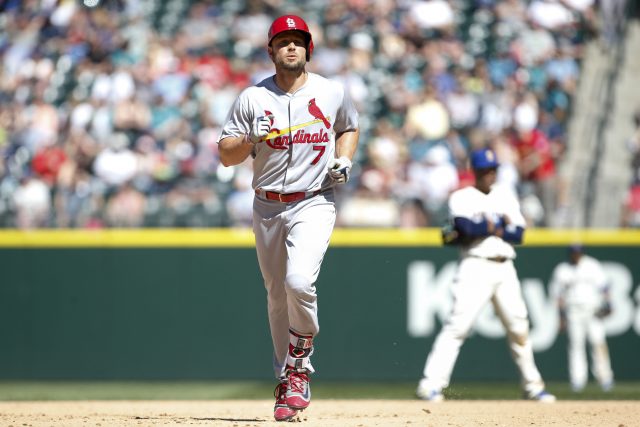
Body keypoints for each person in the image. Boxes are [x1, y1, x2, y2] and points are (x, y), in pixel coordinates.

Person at [217, 15, 359, 422]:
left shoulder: (331, 92)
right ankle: (286, 381)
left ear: (309, 49)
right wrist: (249, 139)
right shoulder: (252, 98)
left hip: (314, 199)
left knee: (299, 282)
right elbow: (226, 156)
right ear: (271, 51)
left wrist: (344, 158)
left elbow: (350, 127)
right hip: (266, 205)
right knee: (276, 295)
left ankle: (300, 365)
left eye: (298, 41)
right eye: (283, 42)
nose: (291, 47)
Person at [416, 147, 556, 402]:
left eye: (493, 170)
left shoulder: (506, 195)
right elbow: (464, 227)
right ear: (476, 172)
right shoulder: (462, 196)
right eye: (485, 170)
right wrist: (497, 225)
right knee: (457, 326)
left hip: (505, 267)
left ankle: (532, 386)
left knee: (519, 328)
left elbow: (519, 234)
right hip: (475, 265)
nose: (490, 175)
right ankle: (430, 384)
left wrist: (487, 227)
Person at [549, 244, 615, 392]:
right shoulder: (562, 269)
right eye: (573, 253)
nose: (576, 255)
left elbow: (604, 287)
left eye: (578, 252)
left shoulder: (592, 265)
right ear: (570, 253)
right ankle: (577, 380)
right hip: (573, 311)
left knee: (598, 342)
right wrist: (560, 318)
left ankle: (605, 378)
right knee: (576, 345)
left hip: (593, 310)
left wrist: (609, 304)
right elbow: (558, 296)